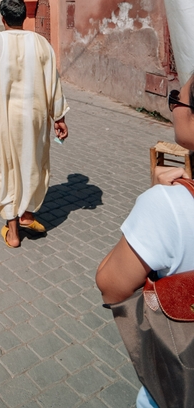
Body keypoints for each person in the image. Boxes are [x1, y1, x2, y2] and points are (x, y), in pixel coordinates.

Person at [96, 74, 194, 408]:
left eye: (175, 100)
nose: (173, 110)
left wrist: (157, 198)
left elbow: (110, 283)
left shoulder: (168, 205)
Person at [0, 0, 69, 248]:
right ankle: (28, 214)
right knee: (32, 163)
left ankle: (13, 232)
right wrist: (59, 116)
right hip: (34, 119)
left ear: (3, 19)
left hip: (2, 120)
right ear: (24, 17)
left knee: (4, 168)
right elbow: (53, 83)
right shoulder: (41, 43)